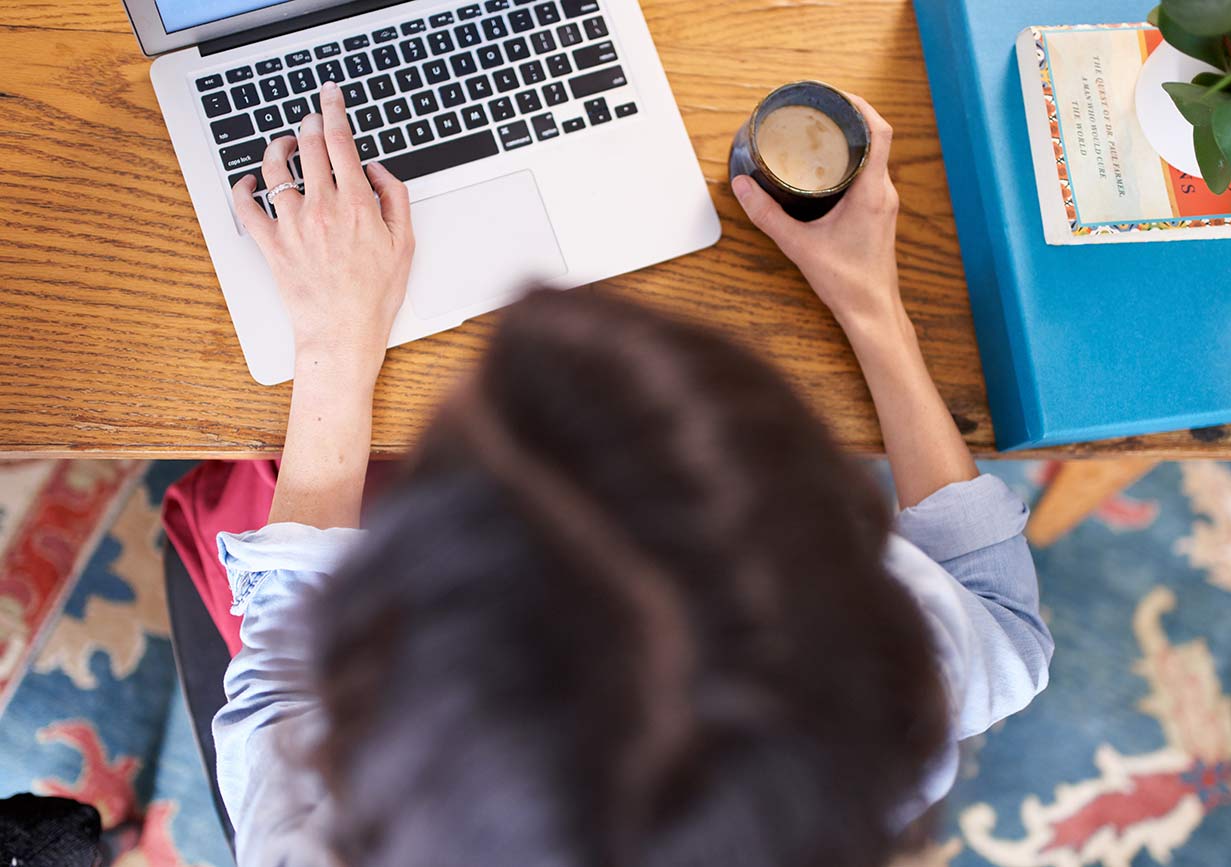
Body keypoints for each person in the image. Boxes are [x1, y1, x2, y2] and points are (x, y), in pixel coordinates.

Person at [209, 80, 1051, 867]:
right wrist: (869, 300)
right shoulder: (874, 687)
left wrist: (332, 352)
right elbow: (1006, 624)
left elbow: (282, 695)